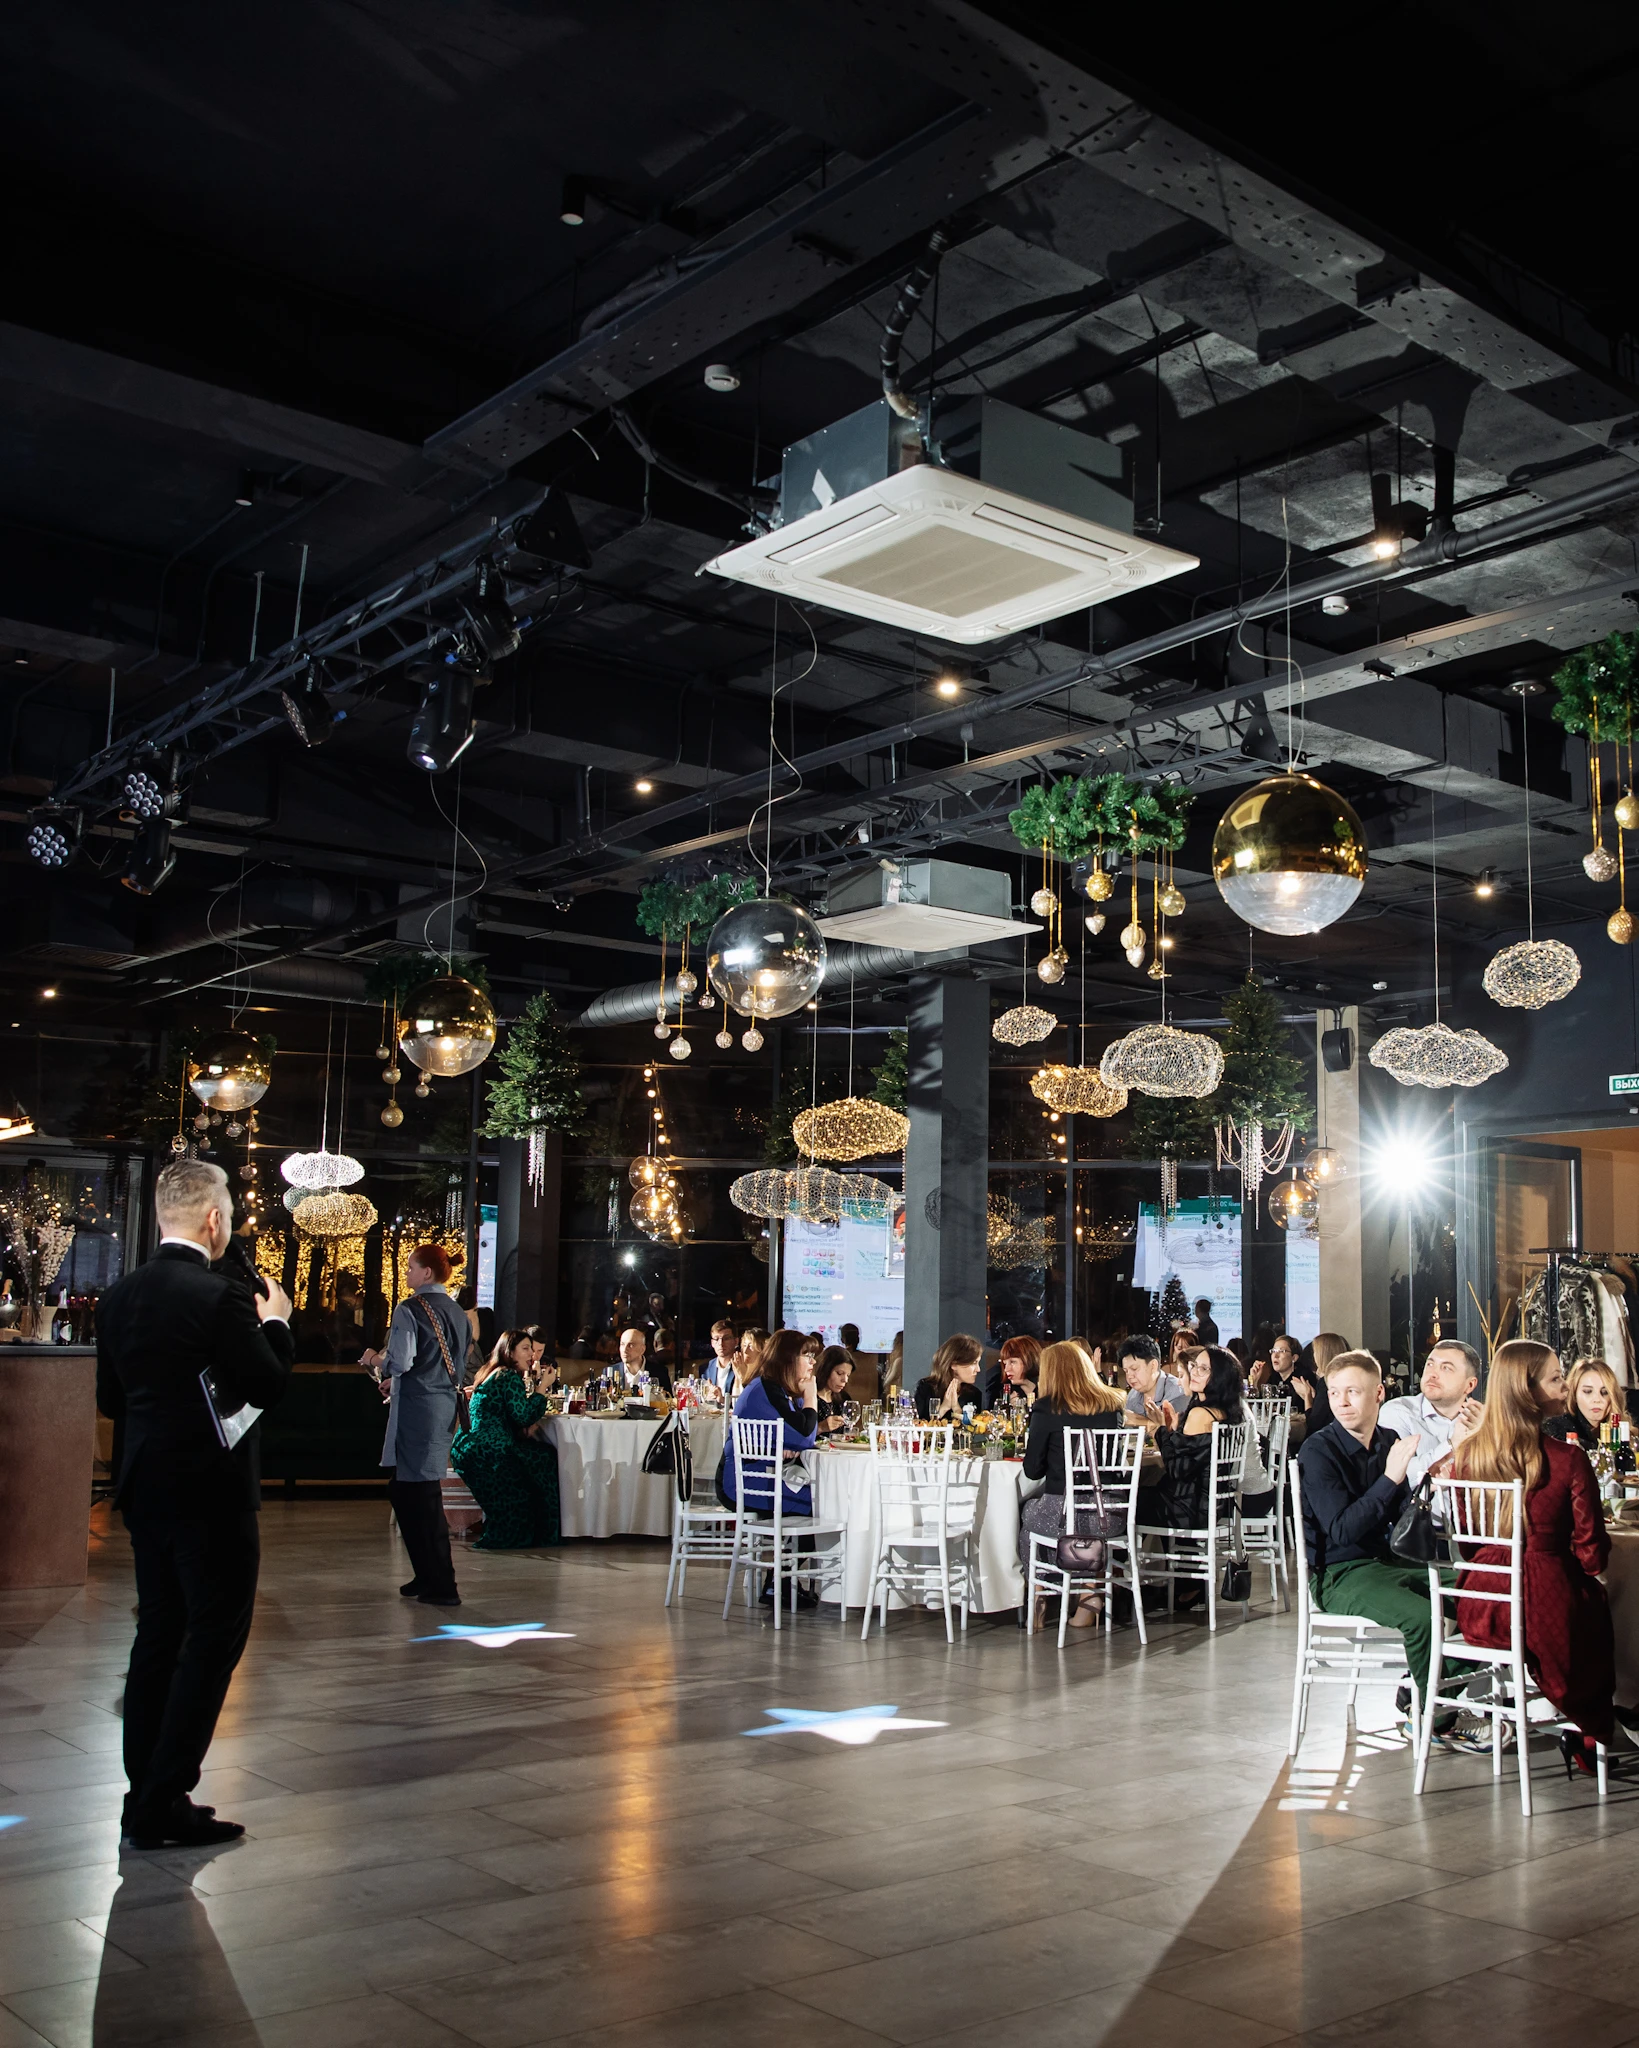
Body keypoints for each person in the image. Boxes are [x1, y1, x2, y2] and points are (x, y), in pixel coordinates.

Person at [95, 1159, 293, 1850]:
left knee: (157, 1635)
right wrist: (276, 1323)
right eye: (229, 1215)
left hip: (144, 1485)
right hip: (210, 1489)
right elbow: (267, 1383)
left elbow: (111, 1401)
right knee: (212, 1638)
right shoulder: (218, 1296)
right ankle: (163, 1799)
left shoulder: (119, 1296)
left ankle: (142, 1795)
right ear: (214, 1220)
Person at [1451, 1339, 1617, 1773]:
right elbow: (1592, 1556)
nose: (1565, 1388)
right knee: (1597, 1606)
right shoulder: (1568, 1459)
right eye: (1557, 1379)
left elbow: (1467, 1545)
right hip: (1542, 1606)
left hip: (1482, 1603)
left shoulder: (1467, 1455)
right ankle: (1589, 1729)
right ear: (1528, 1391)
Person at [1297, 1347, 1477, 1740]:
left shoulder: (1388, 1440)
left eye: (1353, 1392)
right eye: (1334, 1392)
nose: (1342, 1402)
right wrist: (1391, 1478)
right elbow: (1342, 1531)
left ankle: (1427, 1697)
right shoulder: (1318, 1449)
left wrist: (1426, 1486)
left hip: (1390, 1561)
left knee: (1487, 1597)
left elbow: (1400, 1517)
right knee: (1422, 1619)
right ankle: (1434, 1720)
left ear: (1378, 1393)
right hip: (1339, 1573)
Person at [360, 1243, 468, 1608]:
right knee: (412, 1491)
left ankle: (442, 1583)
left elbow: (401, 1360)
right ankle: (428, 1574)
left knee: (419, 1495)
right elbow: (449, 1362)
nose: (406, 1273)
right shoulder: (457, 1311)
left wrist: (374, 1359)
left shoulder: (409, 1309)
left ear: (426, 1273)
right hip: (443, 1407)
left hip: (416, 1411)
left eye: (410, 1267)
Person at [1019, 1341, 1126, 1625]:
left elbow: (1032, 1471)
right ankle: (1089, 1596)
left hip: (1067, 1513)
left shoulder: (1046, 1408)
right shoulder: (1113, 1404)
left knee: (1028, 1518)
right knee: (1055, 1519)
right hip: (1111, 1515)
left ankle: (1039, 1597)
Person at [451, 1330, 560, 1548]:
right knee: (546, 1457)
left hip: (467, 1446)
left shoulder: (490, 1372)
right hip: (489, 1450)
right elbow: (523, 1416)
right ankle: (546, 1529)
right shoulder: (508, 1376)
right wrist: (542, 1387)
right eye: (525, 1349)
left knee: (539, 1454)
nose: (531, 1355)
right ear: (509, 1352)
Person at [723, 1328, 819, 1516]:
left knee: (827, 1495)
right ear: (788, 1359)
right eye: (807, 1356)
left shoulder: (777, 1389)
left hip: (766, 1474)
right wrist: (810, 1395)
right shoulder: (766, 1389)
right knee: (824, 1500)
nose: (813, 1362)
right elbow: (805, 1437)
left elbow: (802, 1436)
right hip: (744, 1482)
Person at [1380, 1338, 1484, 1484]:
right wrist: (1451, 1444)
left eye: (1446, 1368)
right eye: (1430, 1364)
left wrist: (1485, 1436)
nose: (1432, 1374)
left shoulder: (1481, 1420)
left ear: (1470, 1385)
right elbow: (1395, 1476)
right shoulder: (1398, 1412)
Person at [1546, 1358, 1627, 1451]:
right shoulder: (1557, 1429)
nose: (1597, 1399)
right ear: (1574, 1394)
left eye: (1605, 1392)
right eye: (1588, 1391)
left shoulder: (1624, 1431)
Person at [913, 1334, 988, 1420]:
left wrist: (956, 1408)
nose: (978, 1369)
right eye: (974, 1363)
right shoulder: (926, 1388)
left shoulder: (974, 1394)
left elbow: (975, 1425)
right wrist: (944, 1407)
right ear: (954, 1364)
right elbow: (918, 1424)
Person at [1118, 1336, 1187, 1426]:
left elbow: (1173, 1430)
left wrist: (1142, 1421)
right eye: (1126, 1371)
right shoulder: (1132, 1396)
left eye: (1134, 1369)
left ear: (1153, 1365)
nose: (1129, 1376)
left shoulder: (1179, 1393)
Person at [982, 1334, 1040, 1411]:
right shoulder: (1002, 1394)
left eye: (1012, 1362)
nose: (1006, 1369)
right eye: (1005, 1364)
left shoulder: (1049, 1392)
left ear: (1029, 1360)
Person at [815, 1347, 854, 1435]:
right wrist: (820, 1427)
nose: (845, 1380)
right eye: (840, 1373)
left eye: (848, 1375)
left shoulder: (844, 1398)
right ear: (826, 1370)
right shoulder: (808, 1398)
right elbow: (799, 1435)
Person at [704, 1317, 740, 1395]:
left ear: (736, 1341)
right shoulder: (706, 1368)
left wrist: (722, 1400)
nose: (720, 1343)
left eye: (726, 1338)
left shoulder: (742, 1366)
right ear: (712, 1343)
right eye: (716, 1339)